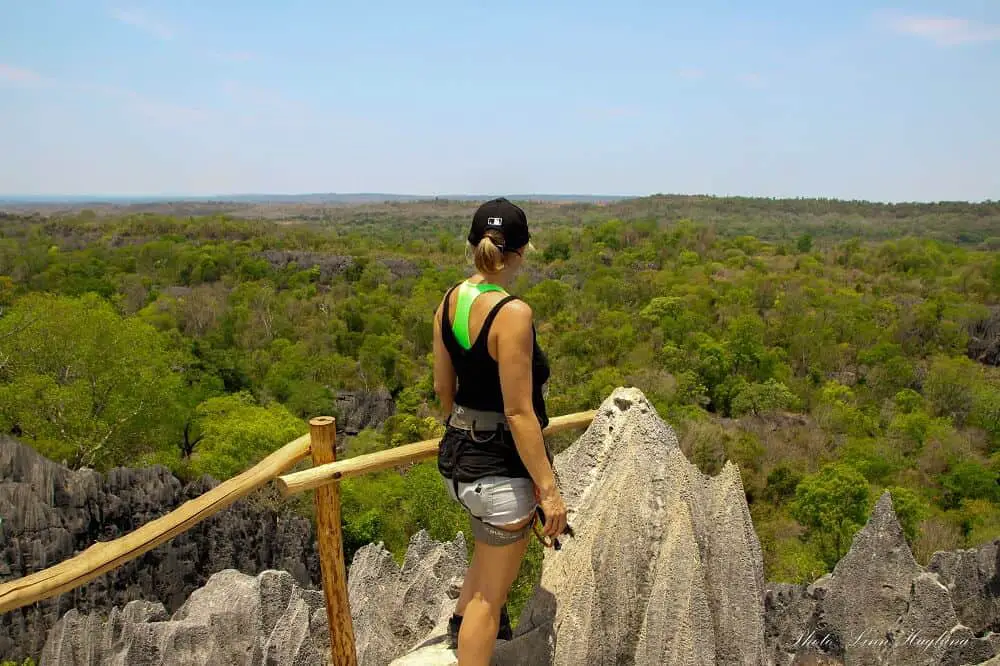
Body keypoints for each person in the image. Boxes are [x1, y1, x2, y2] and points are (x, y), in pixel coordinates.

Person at [433, 197, 568, 665]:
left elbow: (442, 391)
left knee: (486, 560)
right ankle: (469, 640)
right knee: (490, 601)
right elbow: (519, 413)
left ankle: (456, 623)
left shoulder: (450, 300)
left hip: (457, 462)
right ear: (522, 251)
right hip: (498, 474)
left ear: (475, 245)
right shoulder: (513, 314)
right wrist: (549, 492)